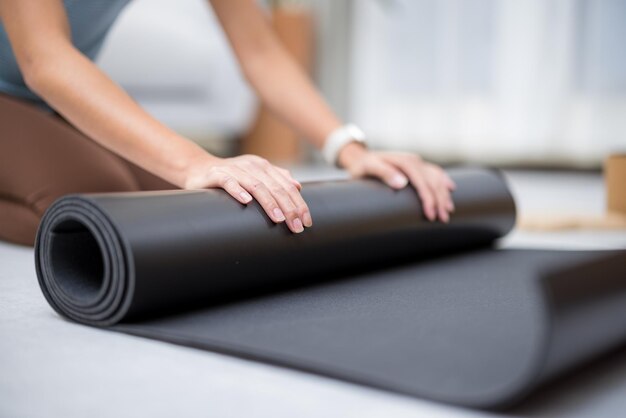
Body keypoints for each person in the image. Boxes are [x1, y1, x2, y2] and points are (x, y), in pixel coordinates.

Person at [0, 0, 455, 246]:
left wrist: (350, 150)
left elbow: (259, 50)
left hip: (38, 100)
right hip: (30, 83)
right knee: (86, 200)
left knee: (173, 206)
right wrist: (194, 161)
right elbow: (44, 57)